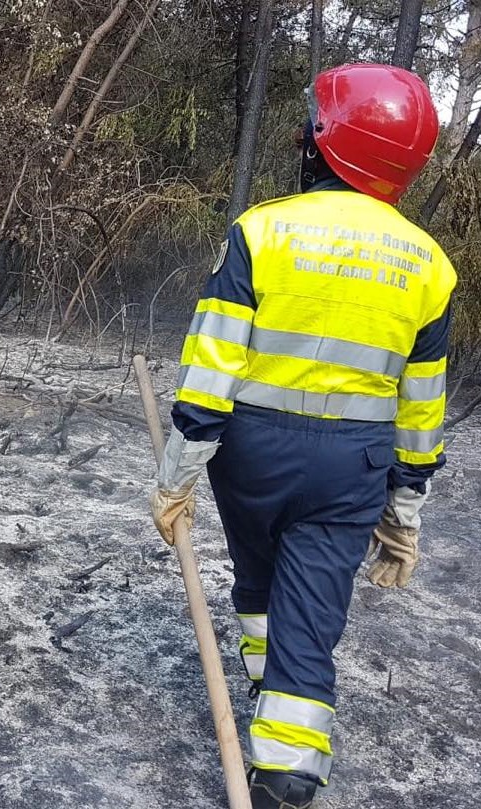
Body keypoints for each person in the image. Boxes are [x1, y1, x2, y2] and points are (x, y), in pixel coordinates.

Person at [149, 63, 456, 809]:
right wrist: (405, 508)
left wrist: (176, 473)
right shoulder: (430, 266)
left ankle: (265, 685)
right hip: (354, 464)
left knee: (256, 576)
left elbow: (212, 365)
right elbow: (422, 403)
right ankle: (288, 768)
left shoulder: (263, 231)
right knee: (313, 604)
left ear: (328, 142)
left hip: (252, 454)